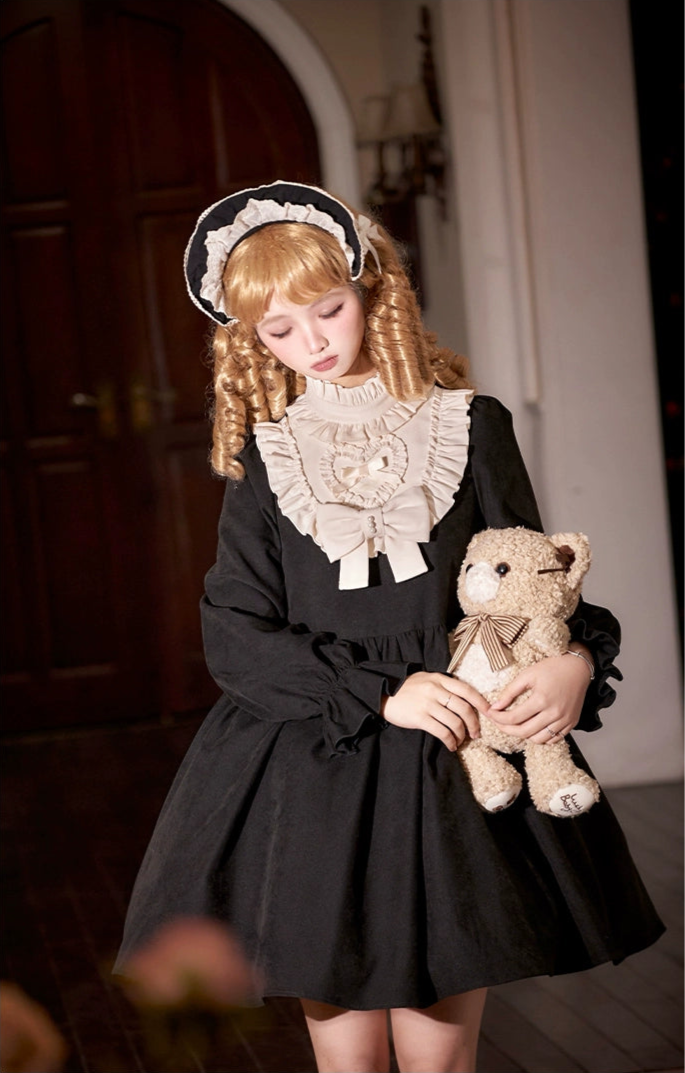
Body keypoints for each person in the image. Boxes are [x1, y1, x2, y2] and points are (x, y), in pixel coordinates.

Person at [116, 181, 664, 1073]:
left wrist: (572, 663)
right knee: (350, 1059)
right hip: (317, 759)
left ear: (372, 291)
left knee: (437, 1056)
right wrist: (381, 691)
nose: (312, 342)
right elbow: (235, 629)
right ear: (249, 340)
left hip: (455, 754)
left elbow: (532, 577)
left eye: (327, 310)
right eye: (278, 330)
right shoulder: (268, 456)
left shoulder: (470, 425)